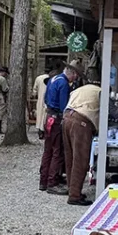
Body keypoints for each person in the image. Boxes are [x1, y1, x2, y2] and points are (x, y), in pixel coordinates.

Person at [41, 61, 82, 193]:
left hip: (49, 116)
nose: (75, 78)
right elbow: (65, 106)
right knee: (57, 151)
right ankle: (52, 182)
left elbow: (46, 98)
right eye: (76, 75)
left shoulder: (53, 79)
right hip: (57, 118)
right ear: (73, 73)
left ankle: (44, 180)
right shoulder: (64, 84)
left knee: (48, 150)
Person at [62, 80, 101, 206]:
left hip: (67, 117)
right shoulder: (100, 92)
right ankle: (74, 196)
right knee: (81, 159)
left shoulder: (81, 89)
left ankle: (72, 189)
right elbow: (112, 111)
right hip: (81, 122)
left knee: (70, 157)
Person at [33, 67, 52, 140]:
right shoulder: (52, 78)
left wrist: (34, 94)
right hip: (48, 98)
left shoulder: (38, 78)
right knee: (45, 115)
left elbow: (35, 89)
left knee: (40, 114)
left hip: (40, 98)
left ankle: (40, 130)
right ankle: (44, 130)